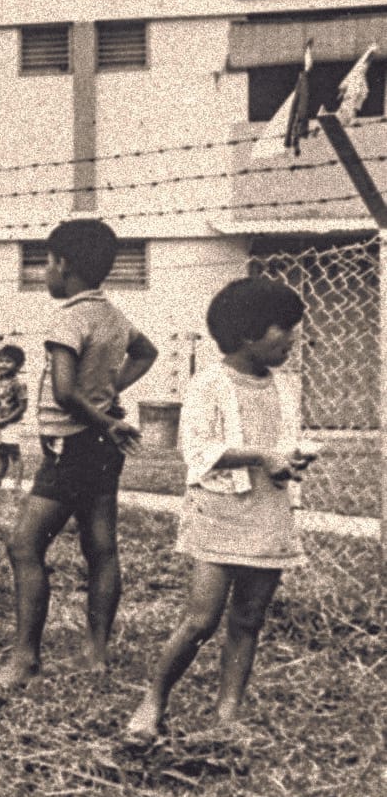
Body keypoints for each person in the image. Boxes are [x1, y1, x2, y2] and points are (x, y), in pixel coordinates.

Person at [123, 279, 313, 749]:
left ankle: (227, 715)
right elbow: (199, 450)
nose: (291, 339)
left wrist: (289, 458)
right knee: (201, 620)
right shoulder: (209, 384)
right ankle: (154, 700)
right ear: (247, 333)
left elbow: (280, 444)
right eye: (282, 329)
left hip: (269, 510)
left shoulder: (285, 387)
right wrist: (262, 457)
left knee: (248, 619)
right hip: (221, 510)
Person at [0, 218, 158, 692]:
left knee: (24, 545)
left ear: (63, 265)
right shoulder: (112, 315)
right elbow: (147, 352)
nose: (45, 272)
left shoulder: (69, 317)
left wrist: (103, 415)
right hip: (100, 450)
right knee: (100, 547)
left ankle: (24, 659)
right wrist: (109, 394)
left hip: (73, 448)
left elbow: (63, 393)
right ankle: (95, 656)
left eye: (46, 262)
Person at [0, 343, 29, 489]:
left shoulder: (18, 384)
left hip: (11, 423)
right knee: (0, 453)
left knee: (14, 453)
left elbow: (22, 407)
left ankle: (17, 484)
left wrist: (7, 420)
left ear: (18, 365)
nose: (3, 364)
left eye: (8, 361)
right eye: (0, 361)